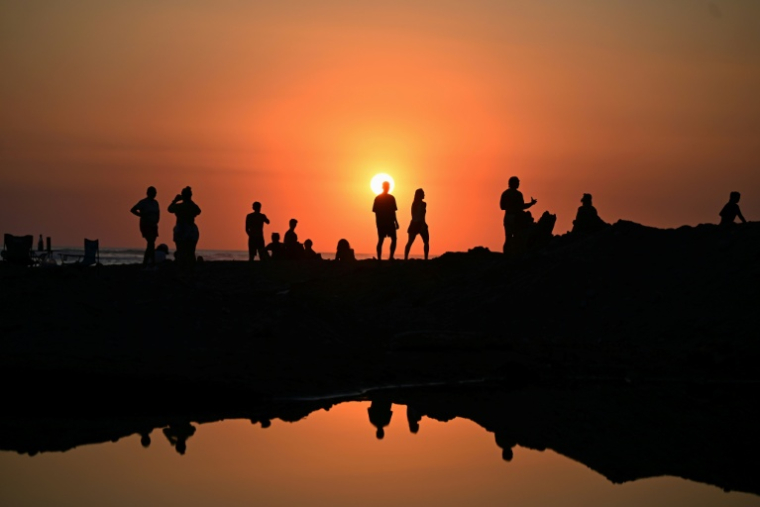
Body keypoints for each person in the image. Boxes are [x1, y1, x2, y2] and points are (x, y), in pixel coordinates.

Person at [500, 176, 537, 254]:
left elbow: (502, 207)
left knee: (508, 238)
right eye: (517, 182)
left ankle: (506, 254)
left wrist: (509, 206)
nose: (518, 184)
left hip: (507, 217)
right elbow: (522, 206)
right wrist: (531, 204)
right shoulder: (518, 194)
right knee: (517, 236)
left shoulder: (505, 193)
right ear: (514, 183)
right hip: (515, 218)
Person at [167, 186, 201, 269]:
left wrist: (175, 200)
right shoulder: (192, 206)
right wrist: (190, 200)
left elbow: (169, 209)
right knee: (191, 251)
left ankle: (181, 267)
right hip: (191, 229)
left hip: (181, 229)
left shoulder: (179, 206)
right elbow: (198, 211)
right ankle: (191, 268)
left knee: (180, 250)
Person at [130, 186, 160, 267]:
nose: (154, 194)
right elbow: (133, 210)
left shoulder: (155, 203)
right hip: (146, 225)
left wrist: (157, 220)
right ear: (148, 193)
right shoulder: (143, 202)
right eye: (153, 192)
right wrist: (142, 215)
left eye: (155, 193)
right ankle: (151, 262)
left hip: (153, 225)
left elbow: (158, 213)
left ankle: (146, 262)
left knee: (151, 244)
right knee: (151, 242)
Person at [372, 181, 399, 260]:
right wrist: (378, 223)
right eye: (386, 186)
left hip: (389, 222)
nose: (387, 188)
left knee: (393, 239)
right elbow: (376, 212)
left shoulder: (391, 198)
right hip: (383, 223)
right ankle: (379, 258)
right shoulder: (378, 198)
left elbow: (393, 211)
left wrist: (396, 222)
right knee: (381, 240)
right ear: (383, 187)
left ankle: (391, 256)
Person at [404, 188, 430, 260]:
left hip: (418, 223)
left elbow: (422, 216)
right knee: (410, 242)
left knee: (425, 242)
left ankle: (426, 258)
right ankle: (406, 258)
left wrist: (423, 224)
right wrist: (422, 224)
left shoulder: (420, 204)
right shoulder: (416, 204)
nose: (424, 195)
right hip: (416, 223)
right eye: (423, 194)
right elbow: (419, 215)